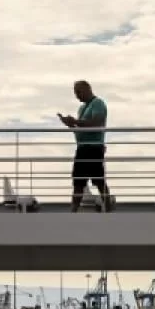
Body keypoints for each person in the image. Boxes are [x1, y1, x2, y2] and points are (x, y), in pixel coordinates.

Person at [57, 80, 115, 212]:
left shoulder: (98, 103)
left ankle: (108, 207)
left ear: (87, 89)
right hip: (82, 148)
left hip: (94, 147)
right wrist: (70, 124)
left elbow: (97, 122)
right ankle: (74, 210)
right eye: (75, 93)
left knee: (98, 179)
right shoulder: (82, 108)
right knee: (78, 180)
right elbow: (81, 127)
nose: (77, 96)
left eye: (78, 92)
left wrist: (76, 121)